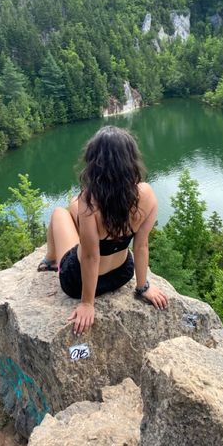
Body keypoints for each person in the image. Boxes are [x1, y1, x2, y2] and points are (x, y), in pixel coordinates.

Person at [37, 125, 168, 336]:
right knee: (74, 204)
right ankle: (60, 253)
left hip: (77, 282)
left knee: (59, 213)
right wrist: (143, 287)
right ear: (131, 160)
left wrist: (87, 303)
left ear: (95, 162)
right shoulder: (147, 194)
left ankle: (52, 259)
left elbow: (90, 257)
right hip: (121, 274)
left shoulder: (89, 200)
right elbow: (141, 245)